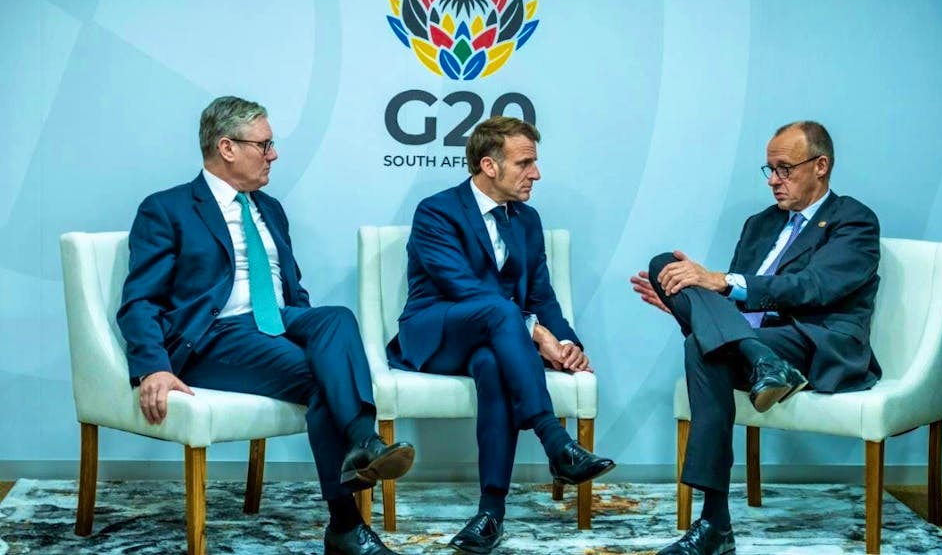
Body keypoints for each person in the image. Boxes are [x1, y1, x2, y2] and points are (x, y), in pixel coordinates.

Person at [117, 96, 414, 555]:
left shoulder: (269, 208)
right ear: (227, 147)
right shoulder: (167, 208)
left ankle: (362, 448)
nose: (273, 154)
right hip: (214, 337)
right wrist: (152, 367)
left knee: (335, 318)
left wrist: (313, 335)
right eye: (265, 144)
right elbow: (139, 300)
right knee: (324, 383)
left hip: (278, 323)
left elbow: (291, 289)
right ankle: (346, 517)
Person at [631, 121, 881, 555]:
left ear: (820, 166)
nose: (773, 181)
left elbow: (813, 287)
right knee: (663, 267)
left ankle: (714, 525)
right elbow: (727, 307)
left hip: (812, 340)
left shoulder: (853, 220)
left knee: (701, 341)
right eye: (768, 170)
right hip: (755, 339)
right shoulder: (759, 224)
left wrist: (717, 285)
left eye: (784, 169)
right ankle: (759, 360)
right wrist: (685, 303)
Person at [387, 116, 615, 554]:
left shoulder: (527, 221)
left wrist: (567, 343)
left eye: (535, 162)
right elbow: (464, 289)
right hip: (438, 332)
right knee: (497, 308)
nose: (536, 174)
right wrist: (536, 334)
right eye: (525, 163)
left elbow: (543, 295)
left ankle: (490, 513)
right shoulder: (437, 211)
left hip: (497, 343)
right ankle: (554, 440)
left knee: (493, 365)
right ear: (489, 166)